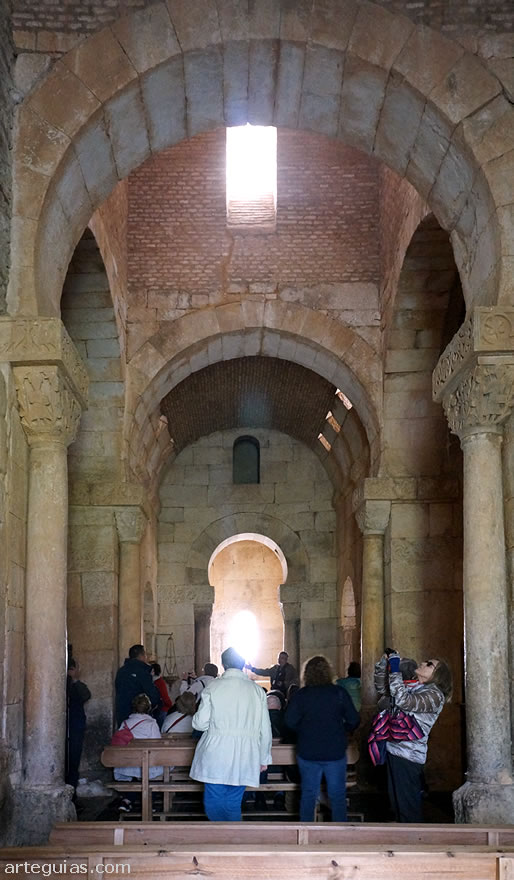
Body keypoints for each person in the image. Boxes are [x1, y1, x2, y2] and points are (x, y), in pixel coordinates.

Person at [190, 646, 272, 821]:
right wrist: (264, 757)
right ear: (242, 664)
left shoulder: (213, 687)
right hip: (246, 752)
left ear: (224, 664)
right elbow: (265, 729)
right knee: (233, 802)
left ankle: (219, 835)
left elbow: (200, 723)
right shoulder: (257, 691)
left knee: (213, 800)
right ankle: (234, 836)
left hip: (216, 751)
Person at [374, 651, 452, 822]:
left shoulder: (435, 695)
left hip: (408, 756)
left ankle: (415, 838)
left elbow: (403, 701)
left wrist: (395, 668)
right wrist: (384, 663)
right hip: (394, 750)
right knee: (397, 806)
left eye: (429, 664)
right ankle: (402, 837)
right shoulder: (416, 687)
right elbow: (383, 689)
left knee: (408, 810)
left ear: (438, 675)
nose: (423, 663)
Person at [285, 655, 360, 822]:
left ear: (307, 674)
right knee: (337, 796)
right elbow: (354, 720)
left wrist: (303, 731)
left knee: (308, 794)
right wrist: (342, 730)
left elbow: (289, 721)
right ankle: (339, 834)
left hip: (308, 750)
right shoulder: (339, 693)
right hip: (334, 750)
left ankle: (306, 833)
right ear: (328, 672)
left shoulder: (302, 695)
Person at [114, 693, 162, 813]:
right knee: (154, 774)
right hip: (147, 762)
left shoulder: (125, 723)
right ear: (149, 708)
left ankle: (127, 800)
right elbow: (156, 744)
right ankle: (150, 802)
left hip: (127, 763)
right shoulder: (151, 724)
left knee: (134, 777)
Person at [115, 644, 160, 726]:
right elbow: (152, 695)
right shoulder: (143, 672)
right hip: (139, 716)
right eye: (145, 655)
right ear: (142, 656)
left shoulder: (121, 672)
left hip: (122, 715)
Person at [65, 658, 91, 789]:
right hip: (70, 726)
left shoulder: (77, 685)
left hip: (75, 727)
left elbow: (86, 695)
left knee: (73, 761)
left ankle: (72, 790)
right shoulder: (64, 685)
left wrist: (75, 680)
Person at [150, 662, 172, 726]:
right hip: (158, 709)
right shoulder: (156, 681)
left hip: (162, 709)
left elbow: (164, 696)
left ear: (153, 671)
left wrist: (169, 705)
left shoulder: (159, 682)